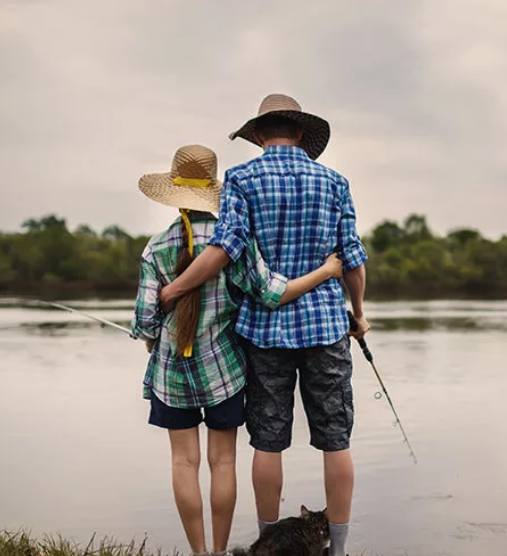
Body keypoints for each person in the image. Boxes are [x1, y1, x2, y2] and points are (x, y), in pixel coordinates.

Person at [159, 94, 369, 556]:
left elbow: (225, 250)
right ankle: (339, 549)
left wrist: (175, 289)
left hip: (263, 331)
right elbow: (352, 259)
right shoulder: (335, 181)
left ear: (256, 135)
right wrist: (358, 314)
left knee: (269, 442)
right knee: (336, 441)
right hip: (326, 329)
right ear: (299, 134)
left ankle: (268, 546)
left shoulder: (242, 179)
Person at [131, 144, 344, 556]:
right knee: (222, 463)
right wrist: (326, 271)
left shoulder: (155, 248)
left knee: (183, 464)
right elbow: (273, 293)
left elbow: (145, 320)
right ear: (214, 194)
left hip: (171, 376)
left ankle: (198, 554)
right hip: (225, 372)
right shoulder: (236, 245)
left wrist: (151, 341)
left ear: (175, 195)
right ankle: (219, 551)